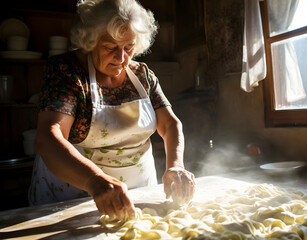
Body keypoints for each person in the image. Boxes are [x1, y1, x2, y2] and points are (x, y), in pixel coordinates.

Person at [28, 0, 195, 220]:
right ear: (90, 40)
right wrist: (94, 180)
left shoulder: (143, 75)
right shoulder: (68, 71)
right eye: (110, 47)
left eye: (129, 47)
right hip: (71, 197)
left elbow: (170, 124)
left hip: (138, 195)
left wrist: (176, 165)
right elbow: (48, 137)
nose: (122, 58)